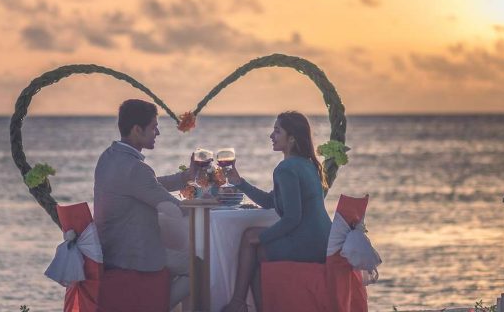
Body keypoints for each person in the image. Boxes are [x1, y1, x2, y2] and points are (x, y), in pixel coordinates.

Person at [221, 111, 331, 312]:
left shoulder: (286, 168)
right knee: (254, 249)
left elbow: (291, 218)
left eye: (277, 131)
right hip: (322, 241)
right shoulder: (308, 165)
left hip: (308, 245)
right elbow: (270, 201)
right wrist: (239, 182)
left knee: (249, 238)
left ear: (291, 139)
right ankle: (246, 305)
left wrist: (262, 238)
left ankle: (238, 304)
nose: (271, 136)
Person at [94, 99, 195, 309]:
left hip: (110, 247)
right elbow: (173, 208)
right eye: (154, 127)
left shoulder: (109, 157)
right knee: (197, 267)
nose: (157, 133)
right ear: (137, 129)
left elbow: (149, 186)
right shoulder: (135, 169)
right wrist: (206, 206)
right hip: (132, 253)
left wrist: (187, 176)